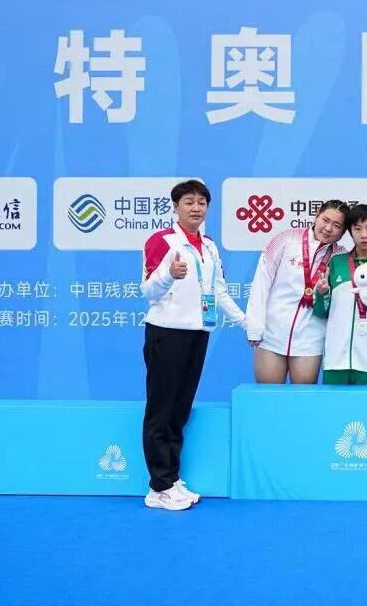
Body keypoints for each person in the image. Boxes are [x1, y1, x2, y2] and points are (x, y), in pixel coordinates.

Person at [140, 180, 245, 511]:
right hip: (166, 333)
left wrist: (246, 322)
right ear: (176, 207)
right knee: (161, 409)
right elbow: (149, 291)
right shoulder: (162, 241)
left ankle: (171, 479)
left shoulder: (209, 246)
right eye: (189, 202)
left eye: (202, 202)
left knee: (180, 409)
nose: (196, 208)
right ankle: (158, 487)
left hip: (199, 332)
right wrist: (169, 274)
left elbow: (219, 290)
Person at [245, 200, 350, 385]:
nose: (328, 228)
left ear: (343, 231)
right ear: (316, 215)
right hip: (272, 333)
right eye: (325, 220)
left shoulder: (341, 257)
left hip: (310, 338)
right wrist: (255, 326)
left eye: (337, 225)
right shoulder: (286, 239)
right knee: (268, 395)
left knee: (302, 397)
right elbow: (262, 282)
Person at [314, 204, 367, 385]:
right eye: (357, 229)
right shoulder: (336, 263)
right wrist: (323, 294)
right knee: (334, 402)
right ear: (350, 231)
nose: (363, 235)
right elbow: (321, 311)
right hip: (336, 359)